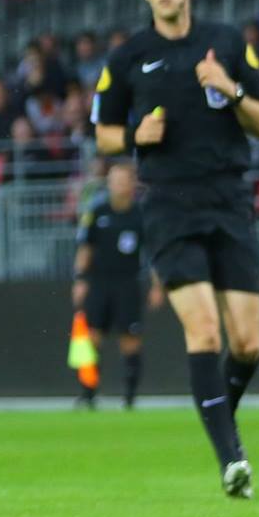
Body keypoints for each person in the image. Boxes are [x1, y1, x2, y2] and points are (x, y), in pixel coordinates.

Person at [93, 0, 259, 497]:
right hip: (169, 205)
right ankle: (231, 461)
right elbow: (103, 133)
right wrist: (133, 138)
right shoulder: (128, 57)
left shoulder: (228, 42)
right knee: (205, 331)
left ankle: (221, 420)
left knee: (247, 344)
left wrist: (229, 86)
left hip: (229, 201)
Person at [71, 161, 165, 409]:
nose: (119, 185)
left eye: (124, 180)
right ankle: (88, 394)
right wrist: (80, 279)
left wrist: (157, 286)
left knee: (130, 340)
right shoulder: (98, 211)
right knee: (91, 339)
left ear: (132, 184)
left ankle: (129, 397)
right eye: (115, 180)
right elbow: (85, 248)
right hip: (99, 282)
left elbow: (153, 254)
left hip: (127, 283)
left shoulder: (140, 215)